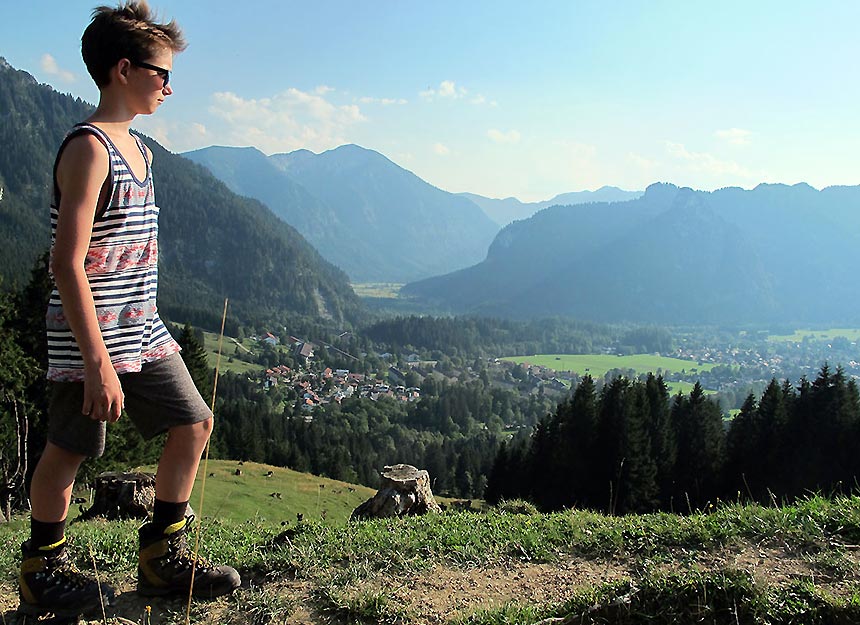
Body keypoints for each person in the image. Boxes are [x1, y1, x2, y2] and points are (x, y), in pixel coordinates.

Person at [18, 2, 240, 618]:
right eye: (161, 73)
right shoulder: (89, 150)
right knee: (68, 450)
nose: (170, 86)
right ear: (123, 69)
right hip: (88, 338)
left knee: (194, 423)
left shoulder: (139, 150)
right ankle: (42, 569)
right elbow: (68, 263)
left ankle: (162, 558)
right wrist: (96, 363)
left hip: (142, 328)